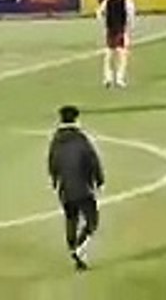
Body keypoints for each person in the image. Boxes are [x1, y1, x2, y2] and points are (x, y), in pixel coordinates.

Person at [47, 105, 105, 272]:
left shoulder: (56, 140)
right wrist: (99, 180)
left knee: (71, 218)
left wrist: (56, 181)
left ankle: (74, 251)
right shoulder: (80, 139)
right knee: (91, 221)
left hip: (65, 188)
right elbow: (91, 159)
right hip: (83, 186)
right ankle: (79, 249)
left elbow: (52, 162)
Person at [97, 0, 134, 88]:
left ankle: (110, 78)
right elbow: (130, 14)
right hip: (119, 29)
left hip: (112, 29)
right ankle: (118, 78)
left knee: (110, 54)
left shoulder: (108, 0)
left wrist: (105, 23)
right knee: (120, 54)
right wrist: (129, 27)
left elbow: (99, 13)